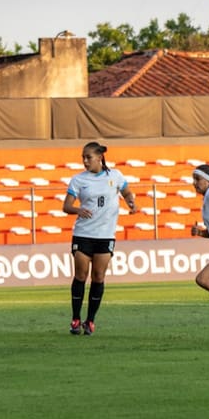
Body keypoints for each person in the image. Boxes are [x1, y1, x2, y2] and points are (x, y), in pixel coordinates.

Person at [63, 141, 137, 336]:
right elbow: (66, 206)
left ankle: (90, 321)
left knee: (98, 277)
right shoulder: (78, 180)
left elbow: (126, 191)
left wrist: (130, 200)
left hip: (105, 235)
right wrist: (78, 209)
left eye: (88, 157)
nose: (85, 161)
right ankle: (76, 318)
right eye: (83, 157)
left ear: (99, 157)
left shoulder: (115, 176)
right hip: (83, 234)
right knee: (80, 275)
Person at [189, 164, 209, 300]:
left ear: (208, 180)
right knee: (205, 278)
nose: (194, 183)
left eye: (197, 179)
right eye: (193, 179)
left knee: (204, 278)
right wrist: (201, 233)